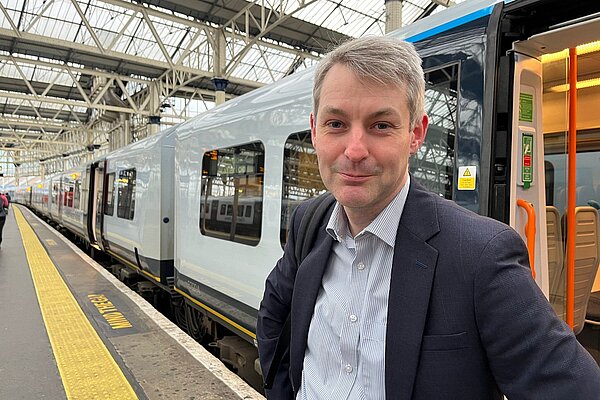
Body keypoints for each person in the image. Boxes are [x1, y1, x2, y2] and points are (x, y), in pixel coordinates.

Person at [257, 36, 600, 400]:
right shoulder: (309, 222)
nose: (354, 150)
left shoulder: (480, 254)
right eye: (336, 124)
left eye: (381, 125)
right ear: (315, 129)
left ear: (416, 134)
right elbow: (273, 321)